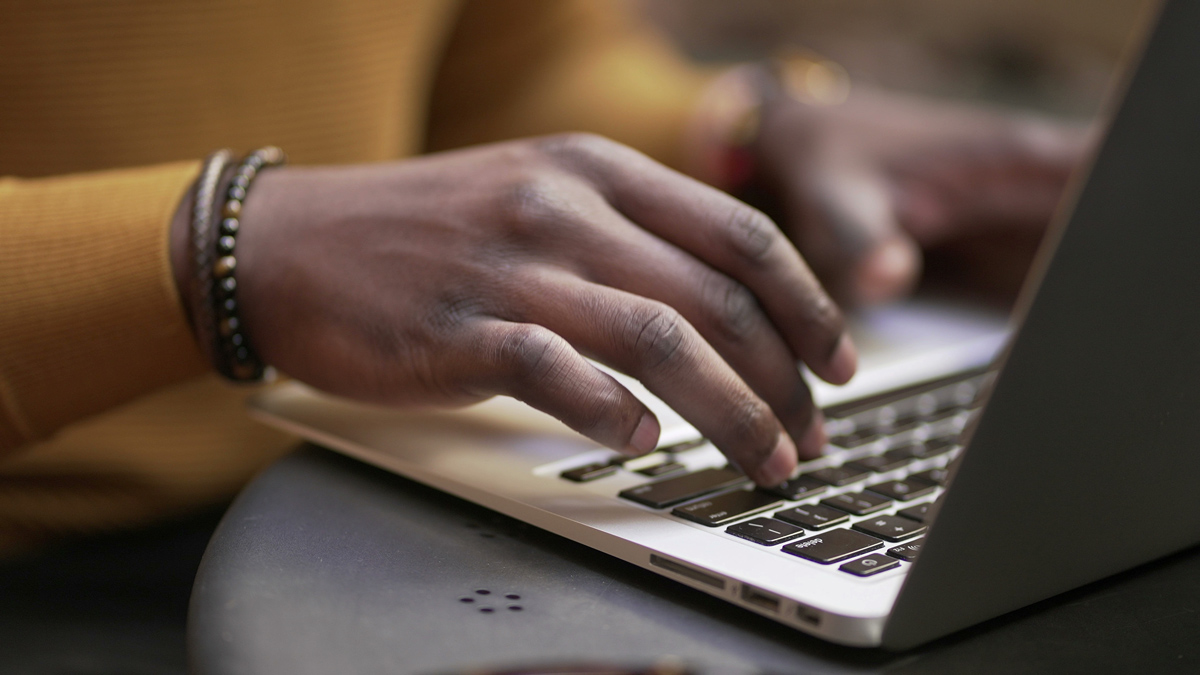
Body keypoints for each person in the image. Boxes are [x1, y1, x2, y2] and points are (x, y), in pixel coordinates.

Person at [0, 0, 1085, 553]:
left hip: (385, 459)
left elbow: (511, 64)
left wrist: (739, 138)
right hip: (55, 558)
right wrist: (213, 248)